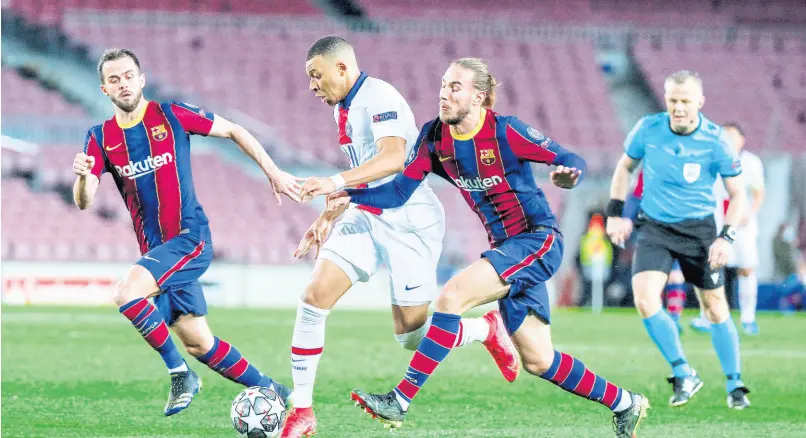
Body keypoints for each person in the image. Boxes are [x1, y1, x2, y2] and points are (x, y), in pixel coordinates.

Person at [329, 58, 649, 438]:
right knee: (538, 360)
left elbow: (567, 157)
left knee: (452, 298)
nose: (444, 94)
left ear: (479, 96)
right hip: (506, 250)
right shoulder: (434, 137)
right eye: (443, 85)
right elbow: (398, 191)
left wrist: (569, 173)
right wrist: (345, 192)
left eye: (455, 88)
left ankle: (399, 400)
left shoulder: (506, 131)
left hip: (538, 239)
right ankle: (626, 403)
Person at [279, 37, 518, 438]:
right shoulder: (345, 106)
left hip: (409, 220)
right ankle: (302, 412)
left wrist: (332, 183)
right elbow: (365, 171)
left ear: (342, 69)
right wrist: (327, 215)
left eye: (316, 76)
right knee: (313, 298)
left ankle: (484, 328)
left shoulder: (379, 96)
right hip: (366, 215)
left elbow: (392, 158)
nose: (312, 86)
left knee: (411, 335)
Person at [72, 48, 301, 416]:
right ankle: (273, 389)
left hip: (189, 239)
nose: (123, 83)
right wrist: (83, 176)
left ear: (141, 78)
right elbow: (84, 201)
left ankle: (181, 375)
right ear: (104, 89)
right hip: (158, 253)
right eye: (114, 79)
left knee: (126, 294)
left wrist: (272, 171)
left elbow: (234, 129)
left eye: (129, 75)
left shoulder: (170, 115)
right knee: (199, 343)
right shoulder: (99, 137)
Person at [605, 70, 751, 410]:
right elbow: (624, 168)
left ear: (700, 103)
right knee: (644, 299)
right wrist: (615, 212)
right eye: (673, 101)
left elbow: (738, 194)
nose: (678, 108)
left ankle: (735, 383)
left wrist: (725, 237)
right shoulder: (648, 129)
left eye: (685, 101)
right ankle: (683, 372)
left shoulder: (715, 141)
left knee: (715, 308)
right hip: (655, 228)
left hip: (700, 231)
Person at [715, 123, 765, 335]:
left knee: (746, 269)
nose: (728, 139)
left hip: (742, 226)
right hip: (717, 222)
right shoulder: (714, 160)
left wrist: (750, 213)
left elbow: (759, 192)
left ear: (742, 139)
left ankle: (748, 317)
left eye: (732, 136)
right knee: (713, 268)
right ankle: (709, 317)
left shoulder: (751, 163)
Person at [625, 171, 688, 333]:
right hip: (651, 229)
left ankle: (674, 318)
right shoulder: (648, 170)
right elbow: (636, 196)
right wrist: (626, 218)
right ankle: (659, 318)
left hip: (677, 227)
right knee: (653, 277)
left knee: (675, 275)